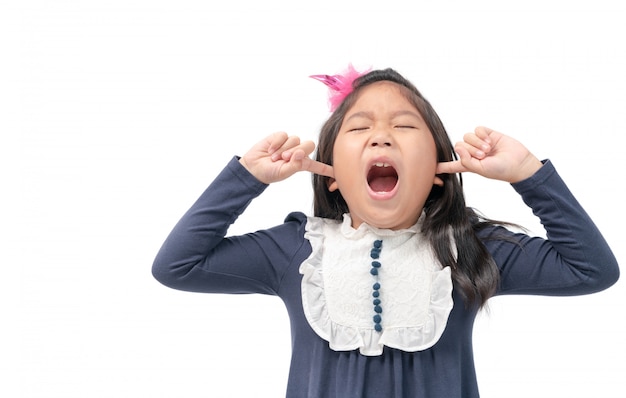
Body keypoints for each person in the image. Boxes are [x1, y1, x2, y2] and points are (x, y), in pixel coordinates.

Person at [152, 66, 619, 397]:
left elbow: (591, 270)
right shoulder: (298, 250)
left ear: (438, 170)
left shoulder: (468, 249)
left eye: (402, 125)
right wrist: (246, 178)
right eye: (359, 128)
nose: (381, 136)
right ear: (331, 173)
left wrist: (526, 172)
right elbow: (177, 266)